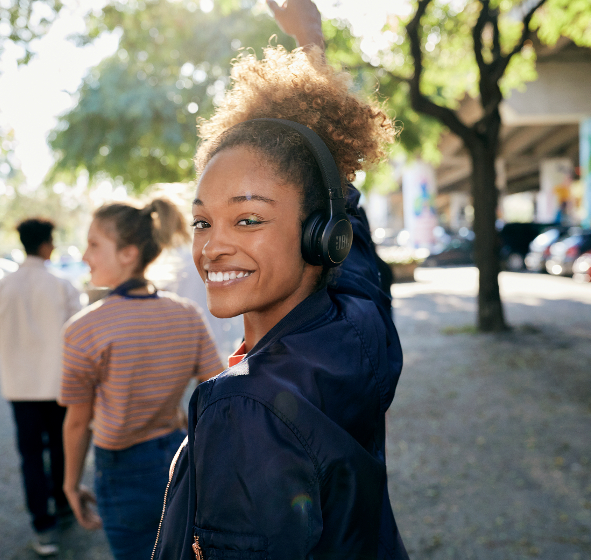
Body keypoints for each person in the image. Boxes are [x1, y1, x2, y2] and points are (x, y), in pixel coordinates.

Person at [152, 1, 408, 559]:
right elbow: (344, 216)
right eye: (202, 220)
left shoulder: (245, 409)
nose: (213, 243)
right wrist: (310, 44)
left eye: (248, 218)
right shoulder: (359, 326)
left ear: (319, 236)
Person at [60, 196, 225, 560]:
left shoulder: (84, 330)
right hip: (181, 460)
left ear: (128, 253)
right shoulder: (188, 314)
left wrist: (71, 485)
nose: (84, 255)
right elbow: (218, 393)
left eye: (93, 244)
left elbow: (76, 422)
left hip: (122, 472)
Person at [0, 218, 82, 557]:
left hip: (19, 386)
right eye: (52, 241)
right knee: (60, 448)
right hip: (57, 384)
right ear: (45, 245)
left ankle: (43, 527)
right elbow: (77, 339)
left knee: (29, 456)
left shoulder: (0, 287)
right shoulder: (61, 286)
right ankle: (65, 505)